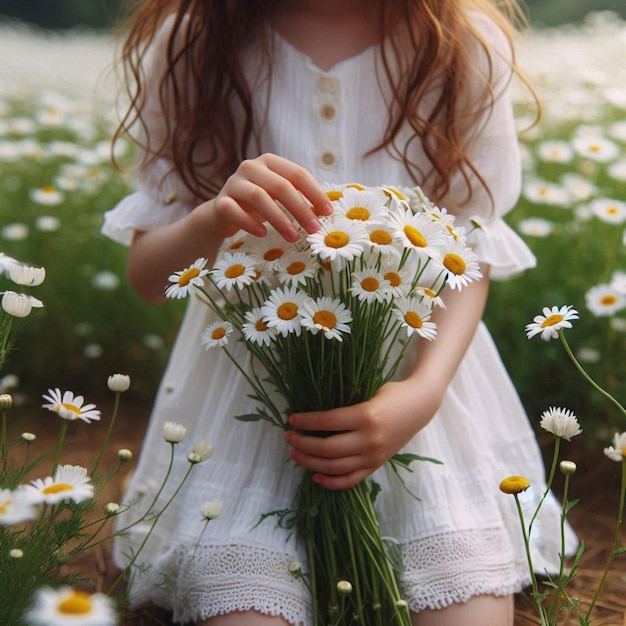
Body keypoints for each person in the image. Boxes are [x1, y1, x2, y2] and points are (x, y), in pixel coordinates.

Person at [102, 1, 577, 624]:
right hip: (247, 413)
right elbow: (148, 277)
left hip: (422, 388)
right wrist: (214, 219)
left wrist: (423, 392)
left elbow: (469, 252)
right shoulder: (193, 40)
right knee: (245, 607)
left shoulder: (461, 43)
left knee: (463, 611)